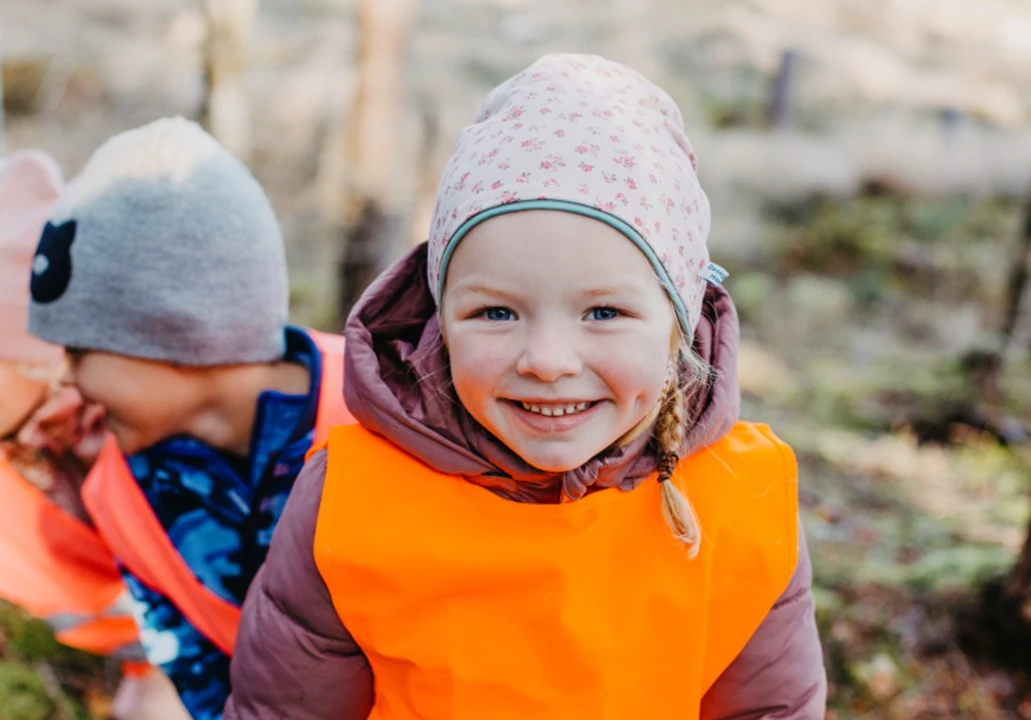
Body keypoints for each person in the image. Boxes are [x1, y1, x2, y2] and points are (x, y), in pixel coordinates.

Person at [224, 53, 826, 719]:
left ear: (676, 321)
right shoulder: (353, 501)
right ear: (439, 319)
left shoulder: (743, 503)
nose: (546, 361)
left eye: (604, 312)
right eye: (495, 313)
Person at [26, 117, 352, 720]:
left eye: (79, 348)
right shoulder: (120, 493)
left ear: (174, 332)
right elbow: (193, 664)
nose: (66, 378)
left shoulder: (379, 416)